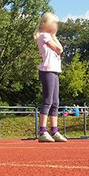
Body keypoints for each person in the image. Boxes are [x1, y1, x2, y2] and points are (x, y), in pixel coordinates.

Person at [34, 12, 67, 143]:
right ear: (45, 24)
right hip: (47, 71)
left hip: (54, 71)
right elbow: (59, 49)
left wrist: (54, 35)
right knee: (48, 101)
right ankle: (42, 131)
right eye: (53, 23)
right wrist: (53, 36)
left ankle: (54, 130)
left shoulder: (50, 36)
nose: (56, 25)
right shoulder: (44, 35)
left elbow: (61, 48)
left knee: (55, 102)